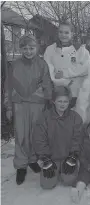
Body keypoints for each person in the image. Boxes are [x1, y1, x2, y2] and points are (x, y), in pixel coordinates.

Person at [4, 34, 53, 185]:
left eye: (31, 48)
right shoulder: (15, 65)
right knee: (21, 134)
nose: (28, 51)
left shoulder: (42, 64)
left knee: (34, 133)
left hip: (37, 104)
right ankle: (20, 165)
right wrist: (8, 106)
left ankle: (33, 159)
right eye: (24, 48)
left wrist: (49, 100)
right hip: (19, 105)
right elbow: (8, 86)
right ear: (20, 49)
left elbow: (47, 84)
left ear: (36, 48)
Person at [33, 86, 83, 189]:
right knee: (47, 185)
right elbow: (39, 139)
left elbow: (78, 138)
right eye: (59, 101)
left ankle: (66, 169)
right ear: (53, 101)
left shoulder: (75, 117)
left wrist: (73, 156)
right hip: (51, 158)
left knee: (69, 181)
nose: (62, 104)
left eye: (65, 101)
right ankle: (56, 168)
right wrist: (45, 159)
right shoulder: (44, 117)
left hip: (68, 157)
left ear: (69, 102)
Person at [44, 21, 90, 108]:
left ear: (72, 34)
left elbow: (87, 67)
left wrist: (66, 73)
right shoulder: (50, 49)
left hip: (74, 93)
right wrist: (56, 78)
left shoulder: (80, 49)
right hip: (57, 92)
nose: (63, 35)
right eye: (60, 32)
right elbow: (47, 68)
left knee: (72, 118)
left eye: (66, 32)